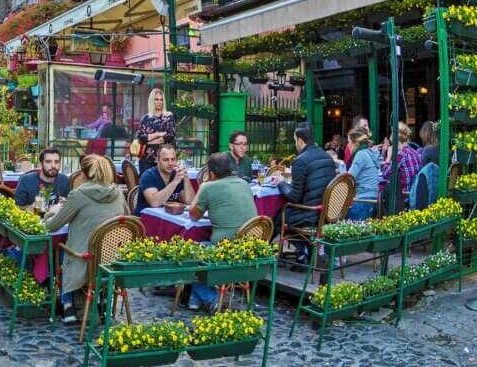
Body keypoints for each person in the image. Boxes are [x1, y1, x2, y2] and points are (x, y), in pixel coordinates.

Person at [43, 155, 128, 324]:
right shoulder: (118, 193)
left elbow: (52, 226)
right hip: (113, 261)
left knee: (60, 249)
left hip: (85, 261)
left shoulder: (79, 195)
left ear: (83, 174)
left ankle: (67, 304)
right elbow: (125, 219)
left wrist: (52, 211)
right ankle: (102, 299)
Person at [188, 152, 258, 310]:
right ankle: (195, 300)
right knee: (203, 248)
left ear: (211, 173)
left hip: (225, 249)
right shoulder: (243, 183)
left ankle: (210, 298)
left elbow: (193, 215)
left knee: (192, 252)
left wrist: (202, 186)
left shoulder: (209, 187)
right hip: (250, 247)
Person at [272, 123, 336, 268]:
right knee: (283, 214)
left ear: (300, 140)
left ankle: (267, 256)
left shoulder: (300, 160)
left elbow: (294, 197)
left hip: (309, 214)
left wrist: (281, 183)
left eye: (295, 140)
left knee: (276, 217)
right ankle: (305, 252)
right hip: (325, 215)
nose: (295, 144)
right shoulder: (327, 158)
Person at [134, 143, 194, 216]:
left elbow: (190, 202)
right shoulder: (149, 175)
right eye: (165, 160)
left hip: (169, 219)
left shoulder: (177, 175)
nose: (170, 163)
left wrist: (186, 178)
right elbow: (154, 203)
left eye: (173, 159)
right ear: (157, 160)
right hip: (146, 219)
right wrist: (175, 182)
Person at [132, 88, 176, 174]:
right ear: (152, 101)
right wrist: (158, 134)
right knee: (147, 186)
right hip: (146, 160)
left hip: (163, 160)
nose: (159, 102)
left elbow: (169, 136)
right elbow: (141, 138)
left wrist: (148, 141)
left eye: (161, 99)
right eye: (156, 99)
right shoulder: (145, 118)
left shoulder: (168, 117)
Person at [382, 122, 424, 204]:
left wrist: (388, 158)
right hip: (414, 196)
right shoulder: (415, 153)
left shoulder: (400, 155)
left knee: (382, 192)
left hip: (403, 200)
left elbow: (385, 174)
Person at [345, 127, 381, 221]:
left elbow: (348, 179)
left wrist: (341, 166)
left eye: (349, 142)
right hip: (372, 200)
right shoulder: (369, 152)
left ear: (356, 143)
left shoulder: (361, 154)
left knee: (335, 217)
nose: (348, 145)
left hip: (362, 201)